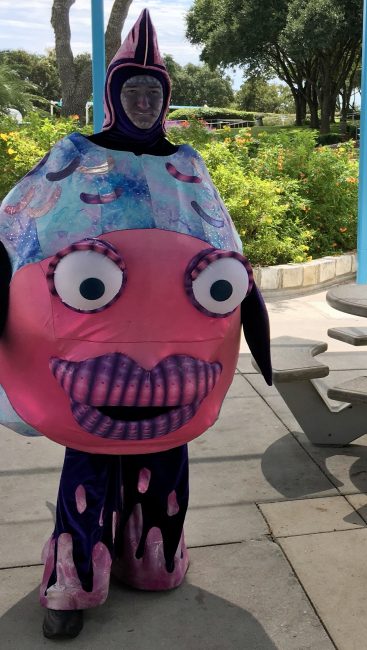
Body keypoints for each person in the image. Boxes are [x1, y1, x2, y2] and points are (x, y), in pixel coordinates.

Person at [0, 10, 271, 639]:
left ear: (166, 99)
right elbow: (20, 225)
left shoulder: (188, 166)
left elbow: (220, 242)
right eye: (133, 91)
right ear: (113, 96)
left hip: (179, 360)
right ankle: (71, 581)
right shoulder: (75, 158)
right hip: (93, 361)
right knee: (90, 462)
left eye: (154, 92)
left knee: (164, 457)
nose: (144, 103)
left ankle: (153, 553)